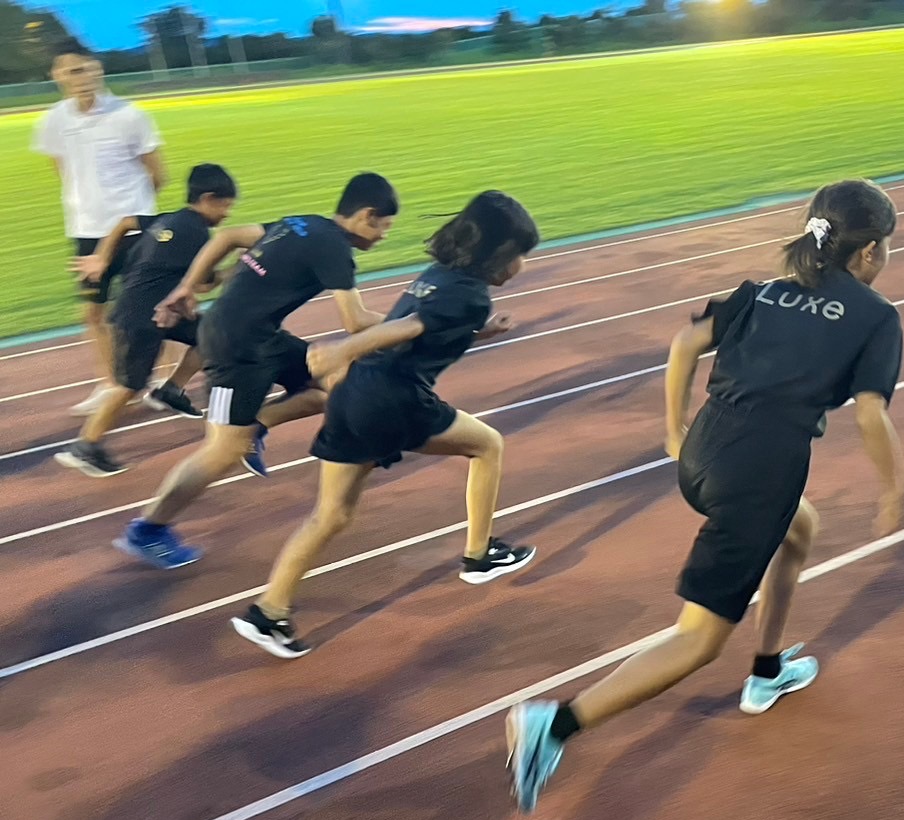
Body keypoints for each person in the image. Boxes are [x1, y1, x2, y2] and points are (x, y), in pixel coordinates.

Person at [503, 178, 904, 814]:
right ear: (870, 254)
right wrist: (893, 490)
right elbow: (869, 416)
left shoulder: (764, 291)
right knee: (698, 638)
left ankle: (768, 670)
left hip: (704, 453)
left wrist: (671, 432)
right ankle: (554, 726)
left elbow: (684, 345)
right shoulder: (875, 317)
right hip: (759, 474)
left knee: (799, 530)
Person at [231, 191, 541, 658]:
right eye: (518, 256)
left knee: (331, 514)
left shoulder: (438, 277)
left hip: (356, 396)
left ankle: (269, 612)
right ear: (496, 254)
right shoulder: (472, 295)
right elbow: (405, 329)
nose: (520, 267)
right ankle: (479, 556)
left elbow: (421, 321)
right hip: (395, 400)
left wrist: (484, 331)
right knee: (488, 445)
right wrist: (341, 350)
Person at [115, 172, 399, 570]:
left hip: (261, 337)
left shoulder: (301, 223)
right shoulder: (335, 249)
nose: (384, 235)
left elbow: (228, 236)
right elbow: (355, 321)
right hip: (234, 348)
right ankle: (147, 529)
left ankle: (259, 425)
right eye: (385, 226)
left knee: (339, 381)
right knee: (222, 450)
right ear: (366, 215)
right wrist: (418, 321)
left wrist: (187, 287)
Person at [55, 164, 239, 477]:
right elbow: (206, 283)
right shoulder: (196, 233)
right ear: (208, 198)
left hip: (155, 310)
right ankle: (85, 445)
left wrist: (103, 256)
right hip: (139, 318)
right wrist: (241, 266)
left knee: (212, 332)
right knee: (129, 386)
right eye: (225, 205)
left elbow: (126, 222)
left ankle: (171, 390)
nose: (227, 214)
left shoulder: (170, 218)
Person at [31, 37, 166, 417]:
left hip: (135, 229)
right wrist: (87, 207)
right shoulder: (53, 121)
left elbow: (158, 173)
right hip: (87, 231)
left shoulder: (129, 115)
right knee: (93, 312)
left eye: (89, 68)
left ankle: (159, 381)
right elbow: (63, 172)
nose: (84, 76)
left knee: (151, 309)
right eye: (73, 70)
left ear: (100, 70)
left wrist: (133, 212)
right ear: (57, 75)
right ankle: (108, 384)